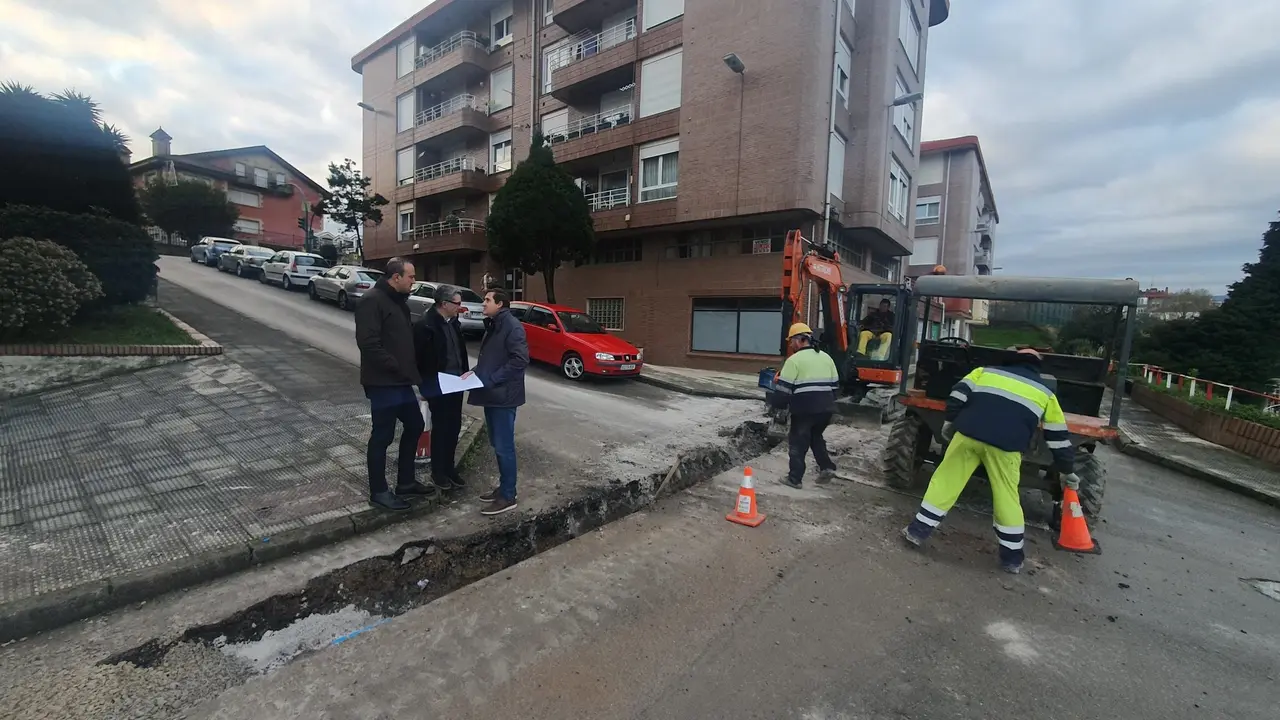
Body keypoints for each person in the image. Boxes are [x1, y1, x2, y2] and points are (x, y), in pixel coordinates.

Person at [901, 348, 1078, 574]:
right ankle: (1012, 558)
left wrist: (951, 421)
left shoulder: (984, 371)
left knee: (945, 482)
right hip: (1006, 447)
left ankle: (917, 532)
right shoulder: (1045, 392)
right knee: (1007, 497)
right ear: (1037, 366)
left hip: (967, 436)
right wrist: (1067, 469)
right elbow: (1058, 437)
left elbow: (956, 395)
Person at [354, 257, 432, 511]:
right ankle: (379, 491)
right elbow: (368, 344)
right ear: (395, 277)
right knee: (382, 436)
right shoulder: (372, 300)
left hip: (401, 382)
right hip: (383, 382)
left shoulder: (399, 303)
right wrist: (396, 367)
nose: (413, 281)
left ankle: (406, 482)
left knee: (415, 423)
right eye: (410, 277)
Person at [468, 288, 529, 516]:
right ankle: (503, 488)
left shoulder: (512, 326)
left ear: (500, 304)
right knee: (497, 443)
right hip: (492, 395)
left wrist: (491, 380)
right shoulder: (495, 325)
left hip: (503, 396)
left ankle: (508, 495)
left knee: (504, 447)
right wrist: (473, 373)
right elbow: (492, 359)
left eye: (487, 300)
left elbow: (520, 360)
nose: (483, 304)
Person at [414, 283, 469, 492]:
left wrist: (465, 372)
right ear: (444, 303)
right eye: (457, 303)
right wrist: (425, 389)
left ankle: (449, 468)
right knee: (441, 429)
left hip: (457, 383)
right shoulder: (425, 326)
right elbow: (419, 361)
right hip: (438, 387)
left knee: (454, 428)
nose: (460, 307)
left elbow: (460, 351)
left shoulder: (453, 322)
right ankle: (438, 472)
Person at [770, 323, 840, 489]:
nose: (791, 345)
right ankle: (827, 467)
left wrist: (776, 407)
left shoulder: (793, 361)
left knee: (798, 443)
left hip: (804, 409)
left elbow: (783, 390)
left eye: (791, 341)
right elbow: (836, 387)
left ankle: (795, 479)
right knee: (816, 437)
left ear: (799, 340)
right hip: (826, 409)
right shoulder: (826, 357)